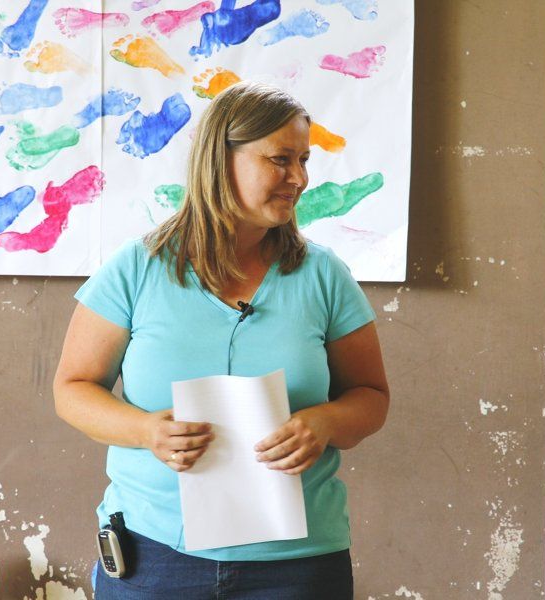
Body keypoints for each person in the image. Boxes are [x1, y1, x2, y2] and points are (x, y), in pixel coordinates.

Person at [54, 81, 389, 599]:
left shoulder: (324, 275)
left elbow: (371, 397)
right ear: (220, 159)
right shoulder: (136, 268)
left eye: (304, 160)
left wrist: (325, 423)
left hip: (297, 568)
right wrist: (145, 430)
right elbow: (73, 389)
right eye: (281, 160)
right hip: (154, 558)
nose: (299, 178)